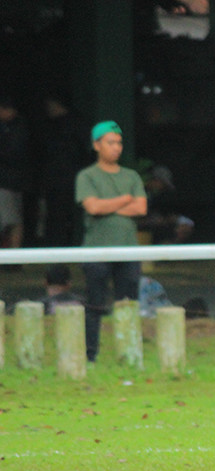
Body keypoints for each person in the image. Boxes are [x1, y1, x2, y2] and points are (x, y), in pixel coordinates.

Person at [75, 121, 147, 362]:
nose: (116, 147)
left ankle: (129, 354)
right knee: (95, 304)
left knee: (128, 304)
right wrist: (125, 199)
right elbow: (93, 207)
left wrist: (109, 205)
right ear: (96, 145)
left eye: (119, 143)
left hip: (128, 250)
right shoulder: (87, 176)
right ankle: (91, 355)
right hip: (96, 251)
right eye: (110, 143)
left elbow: (141, 208)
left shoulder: (131, 176)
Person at [36, 92, 91, 247]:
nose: (48, 109)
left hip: (69, 179)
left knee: (66, 217)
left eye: (50, 105)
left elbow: (86, 150)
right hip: (56, 180)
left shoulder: (76, 124)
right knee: (55, 218)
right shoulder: (50, 126)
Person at [0, 95, 29, 259]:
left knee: (12, 221)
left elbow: (13, 154)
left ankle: (13, 259)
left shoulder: (18, 128)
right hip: (9, 182)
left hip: (8, 183)